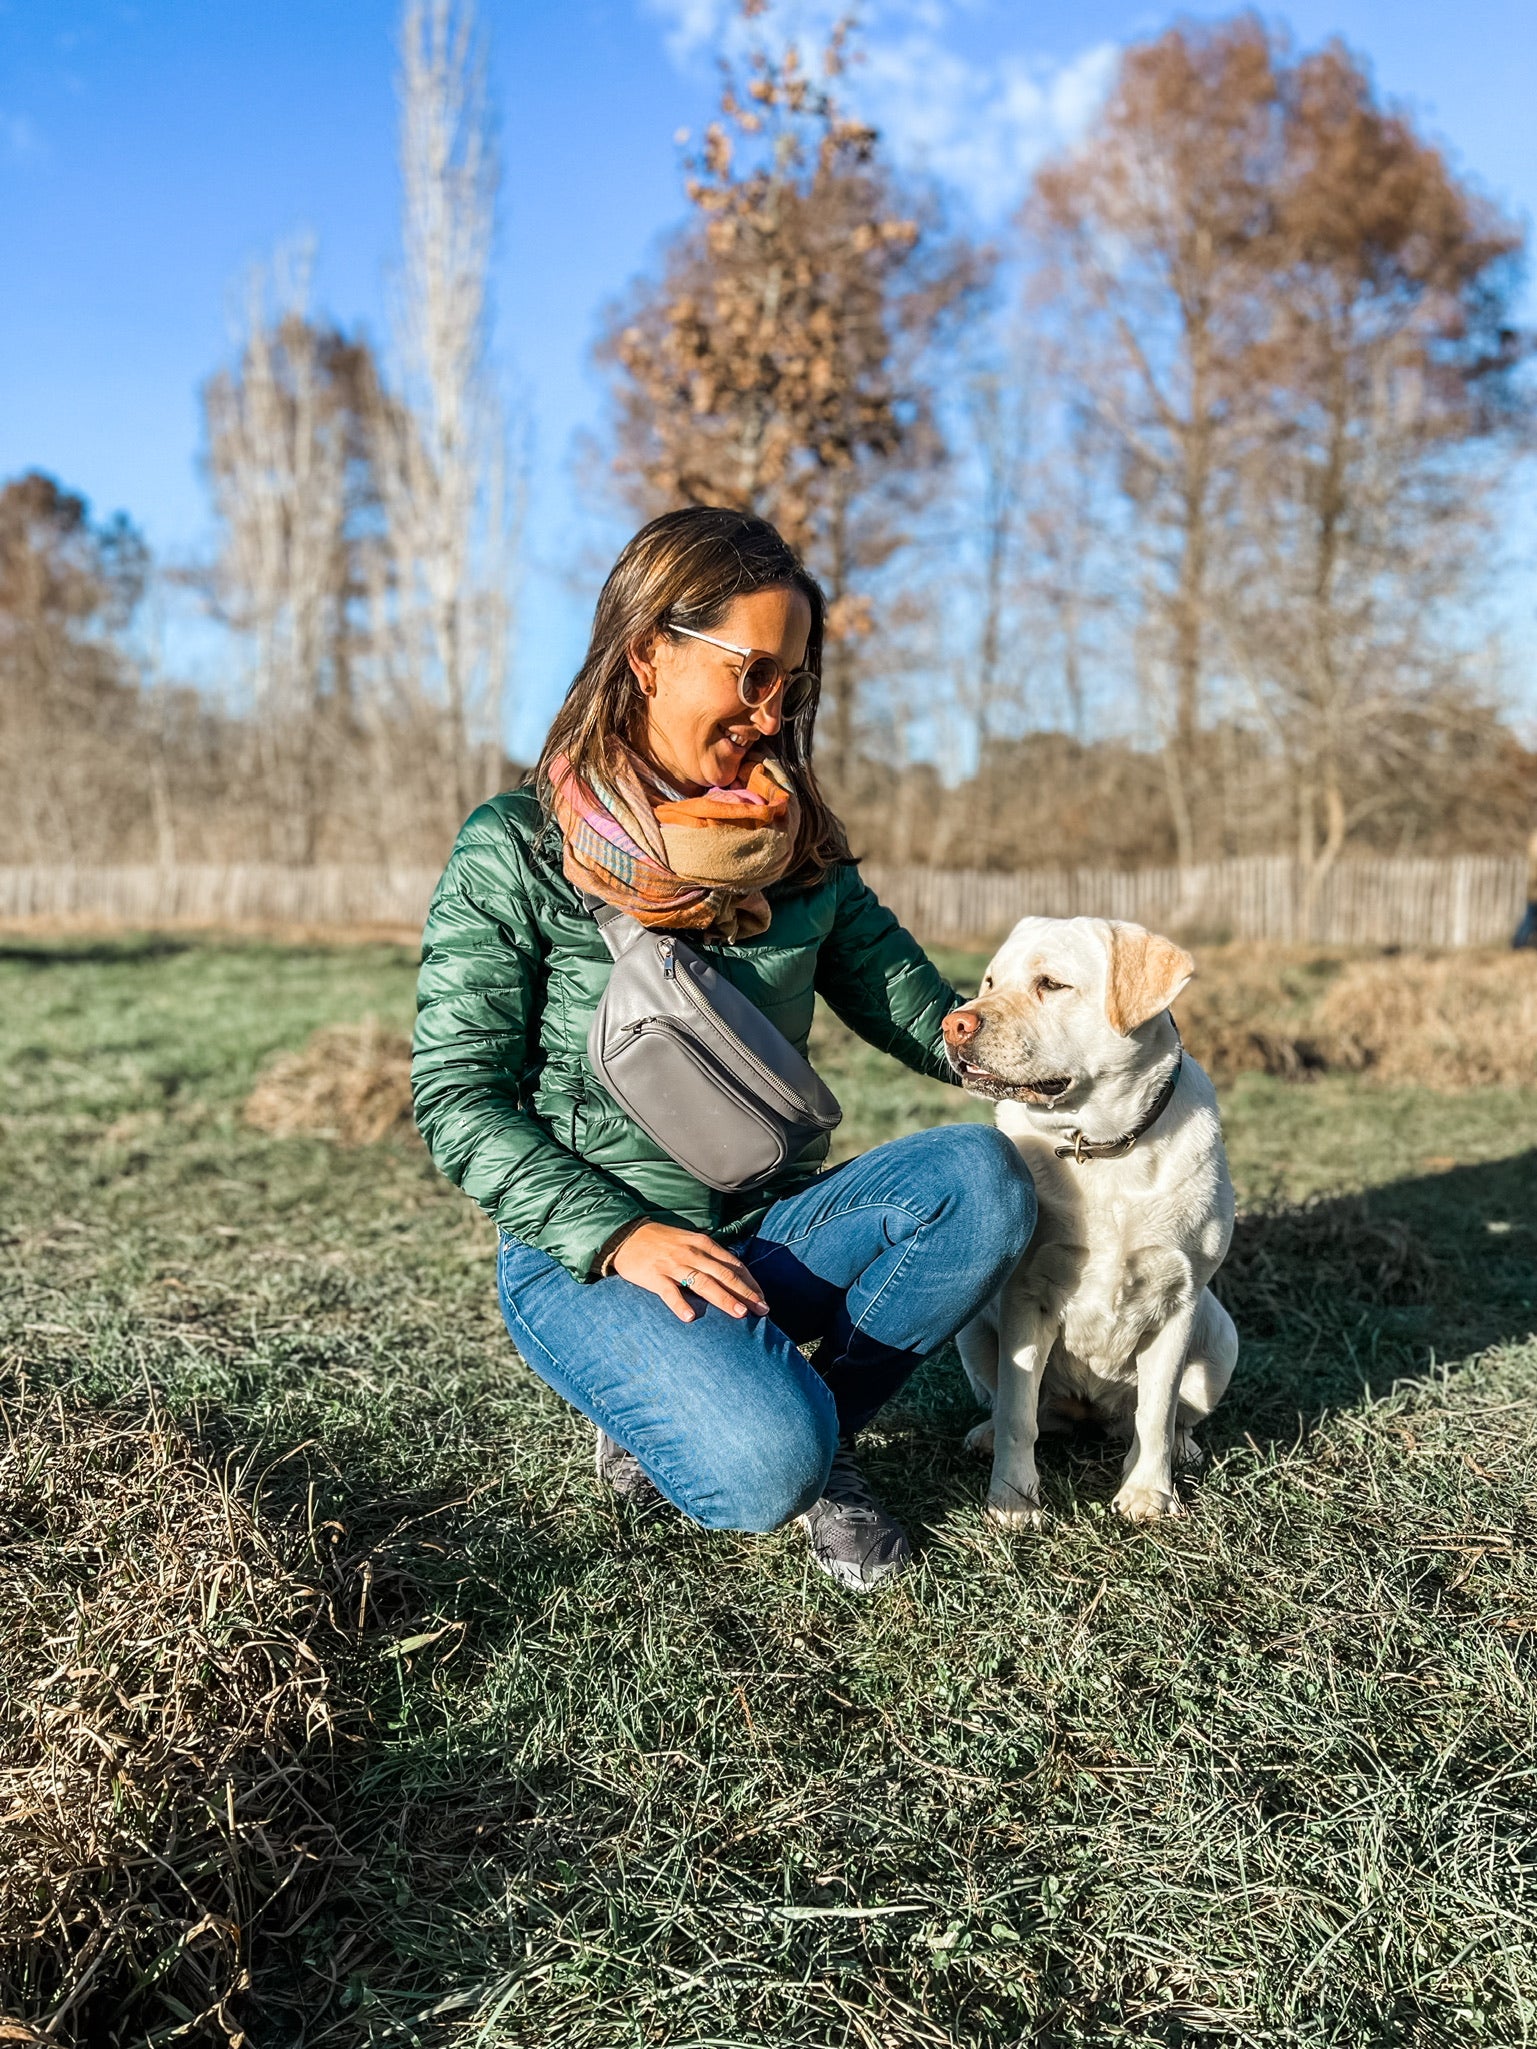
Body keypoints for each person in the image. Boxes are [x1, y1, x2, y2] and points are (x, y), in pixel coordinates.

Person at [411, 507, 1037, 1590]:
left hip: (769, 1222)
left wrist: (1029, 1048)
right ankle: (706, 1419)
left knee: (982, 1181)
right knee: (758, 1469)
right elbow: (456, 1095)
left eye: (790, 681)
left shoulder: (795, 846)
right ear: (649, 652)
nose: (771, 710)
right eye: (752, 674)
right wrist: (617, 1235)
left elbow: (907, 998)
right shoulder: (515, 847)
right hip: (595, 1251)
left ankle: (813, 1442)